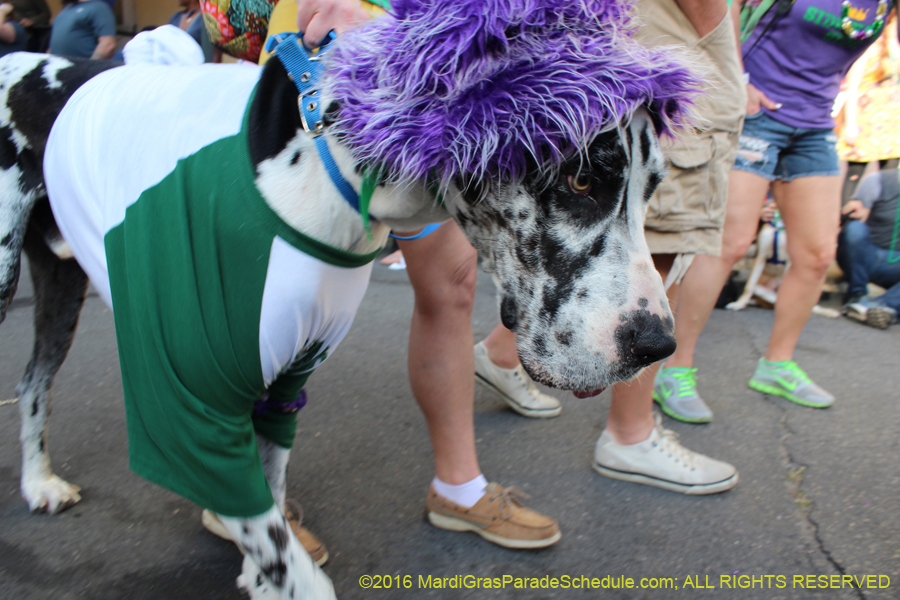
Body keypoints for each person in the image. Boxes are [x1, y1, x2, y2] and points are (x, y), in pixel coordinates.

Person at [660, 0, 893, 412]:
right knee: (729, 244)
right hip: (757, 112)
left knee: (817, 255)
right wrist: (738, 78)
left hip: (816, 124)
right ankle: (674, 369)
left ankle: (777, 365)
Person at [592, 0, 742, 493]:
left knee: (625, 226)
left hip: (645, 38)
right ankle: (629, 437)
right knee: (663, 245)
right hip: (680, 41)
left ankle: (503, 355)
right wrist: (715, 35)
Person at [836, 9, 900, 205]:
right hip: (865, 120)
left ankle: (882, 220)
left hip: (891, 123)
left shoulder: (894, 46)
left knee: (889, 176)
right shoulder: (870, 45)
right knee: (855, 173)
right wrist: (850, 125)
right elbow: (853, 87)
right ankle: (846, 218)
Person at [839, 169, 900, 328]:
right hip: (864, 254)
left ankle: (876, 307)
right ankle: (857, 293)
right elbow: (853, 213)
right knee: (855, 228)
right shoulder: (879, 180)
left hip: (895, 265)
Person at [48, 0, 116, 60]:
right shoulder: (65, 10)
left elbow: (108, 45)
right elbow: (54, 44)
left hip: (80, 67)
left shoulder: (99, 7)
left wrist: (89, 67)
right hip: (55, 67)